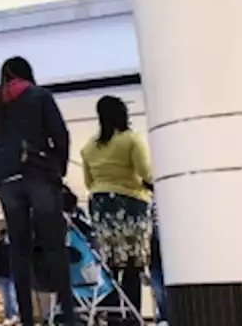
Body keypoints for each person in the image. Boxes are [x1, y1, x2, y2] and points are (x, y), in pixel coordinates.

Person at [0, 56, 75, 326]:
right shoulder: (39, 96)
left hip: (8, 181)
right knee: (54, 246)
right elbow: (61, 134)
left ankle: (26, 318)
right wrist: (58, 168)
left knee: (19, 249)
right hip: (39, 174)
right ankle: (67, 315)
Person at [81, 96, 152, 322]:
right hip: (129, 204)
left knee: (109, 262)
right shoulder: (131, 140)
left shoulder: (88, 147)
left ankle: (112, 314)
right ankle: (132, 315)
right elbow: (146, 172)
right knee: (132, 262)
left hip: (101, 205)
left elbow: (88, 182)